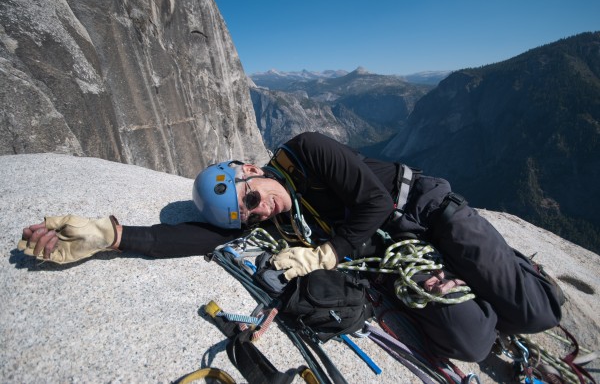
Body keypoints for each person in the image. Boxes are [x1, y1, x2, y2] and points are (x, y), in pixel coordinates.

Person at [18, 132, 563, 362]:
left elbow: (374, 203)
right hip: (397, 255)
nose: (260, 210)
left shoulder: (308, 150)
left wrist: (325, 254)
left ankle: (514, 272)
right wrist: (111, 237)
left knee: (538, 311)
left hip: (427, 213)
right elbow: (195, 238)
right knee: (470, 343)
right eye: (248, 214)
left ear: (249, 169)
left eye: (251, 195)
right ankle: (485, 299)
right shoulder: (271, 217)